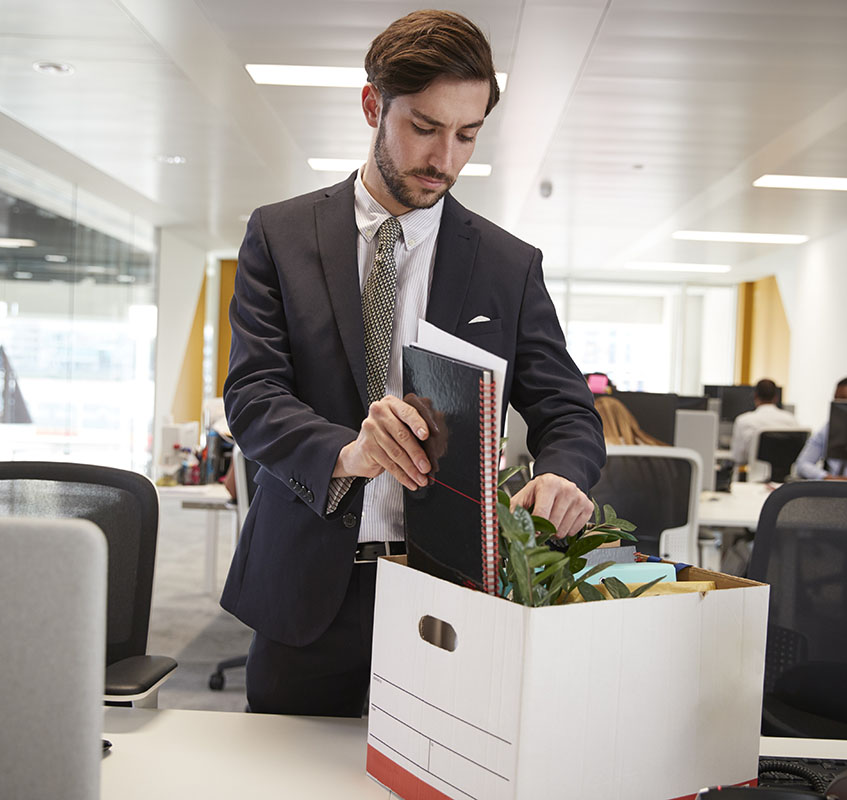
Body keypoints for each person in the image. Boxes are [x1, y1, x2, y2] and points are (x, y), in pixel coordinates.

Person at [220, 10, 605, 718]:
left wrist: (564, 474)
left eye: (467, 134)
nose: (446, 160)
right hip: (307, 589)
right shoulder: (278, 234)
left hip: (450, 594)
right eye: (425, 128)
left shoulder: (509, 267)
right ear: (373, 105)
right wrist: (348, 449)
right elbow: (252, 394)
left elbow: (568, 411)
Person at [794, 376, 847, 481]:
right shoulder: (828, 428)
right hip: (834, 488)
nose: (838, 404)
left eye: (844, 399)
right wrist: (825, 477)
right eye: (836, 399)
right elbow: (802, 464)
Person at [729, 378, 798, 467]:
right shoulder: (791, 420)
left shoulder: (743, 420)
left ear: (755, 396)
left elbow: (738, 458)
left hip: (755, 476)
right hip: (785, 478)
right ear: (776, 398)